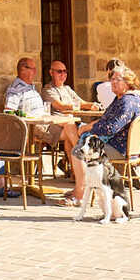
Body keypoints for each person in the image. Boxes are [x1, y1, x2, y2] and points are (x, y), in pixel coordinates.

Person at [33, 60, 87, 205]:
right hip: (54, 126)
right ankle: (82, 166)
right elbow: (61, 106)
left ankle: (76, 175)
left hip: (69, 125)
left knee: (70, 130)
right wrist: (79, 106)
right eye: (59, 71)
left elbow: (81, 102)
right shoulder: (48, 89)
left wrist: (92, 105)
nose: (63, 74)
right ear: (51, 73)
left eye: (65, 71)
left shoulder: (68, 89)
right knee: (71, 128)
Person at [84, 66, 140, 158]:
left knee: (79, 148)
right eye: (112, 79)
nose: (113, 82)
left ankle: (85, 163)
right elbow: (107, 119)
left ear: (128, 82)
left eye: (118, 79)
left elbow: (110, 129)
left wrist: (88, 128)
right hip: (120, 146)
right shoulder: (126, 98)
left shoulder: (127, 102)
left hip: (120, 149)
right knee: (74, 132)